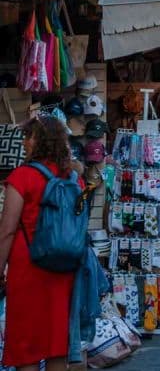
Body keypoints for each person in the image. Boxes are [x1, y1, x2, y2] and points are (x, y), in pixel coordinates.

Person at [0, 116, 85, 371]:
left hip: (28, 266)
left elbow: (7, 229)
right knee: (57, 342)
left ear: (39, 141)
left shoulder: (22, 177)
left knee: (27, 344)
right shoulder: (74, 179)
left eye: (29, 137)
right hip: (64, 266)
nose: (25, 142)